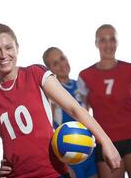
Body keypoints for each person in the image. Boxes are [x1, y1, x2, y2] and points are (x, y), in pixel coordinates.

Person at [0, 24, 121, 178]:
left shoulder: (35, 74)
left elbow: (74, 109)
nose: (3, 55)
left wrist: (107, 143)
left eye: (8, 47)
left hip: (54, 173)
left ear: (17, 48)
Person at [77, 24, 131, 178]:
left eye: (112, 39)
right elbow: (82, 114)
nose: (108, 44)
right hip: (105, 142)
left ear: (117, 42)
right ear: (96, 43)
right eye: (103, 40)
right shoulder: (85, 75)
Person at [43, 47, 98, 178]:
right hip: (69, 155)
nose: (62, 64)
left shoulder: (79, 85)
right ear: (50, 70)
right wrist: (63, 164)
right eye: (55, 63)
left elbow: (87, 115)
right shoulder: (52, 93)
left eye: (62, 58)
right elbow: (47, 129)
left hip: (89, 149)